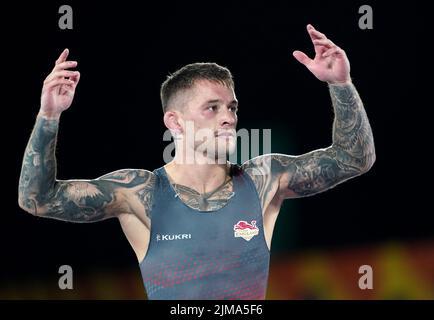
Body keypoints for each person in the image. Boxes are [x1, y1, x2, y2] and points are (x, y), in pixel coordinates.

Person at [18, 24, 375, 300]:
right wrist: (49, 116)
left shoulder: (265, 179)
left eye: (232, 108)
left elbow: (354, 158)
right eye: (212, 108)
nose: (228, 118)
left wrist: (340, 83)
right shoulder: (139, 192)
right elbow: (37, 199)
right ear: (174, 122)